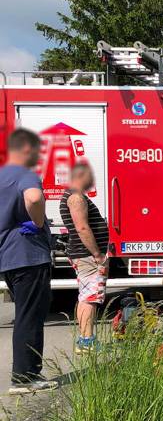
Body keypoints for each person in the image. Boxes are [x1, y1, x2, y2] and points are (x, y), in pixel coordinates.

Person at [0, 129, 57, 393]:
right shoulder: (25, 174)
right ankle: (25, 377)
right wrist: (38, 221)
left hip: (8, 256)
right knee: (30, 316)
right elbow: (34, 197)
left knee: (24, 313)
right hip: (29, 254)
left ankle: (24, 373)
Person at [59, 162, 110, 353]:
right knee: (90, 298)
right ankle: (87, 341)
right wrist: (97, 254)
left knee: (85, 297)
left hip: (83, 255)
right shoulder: (76, 198)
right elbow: (81, 227)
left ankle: (85, 339)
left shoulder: (73, 196)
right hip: (87, 256)